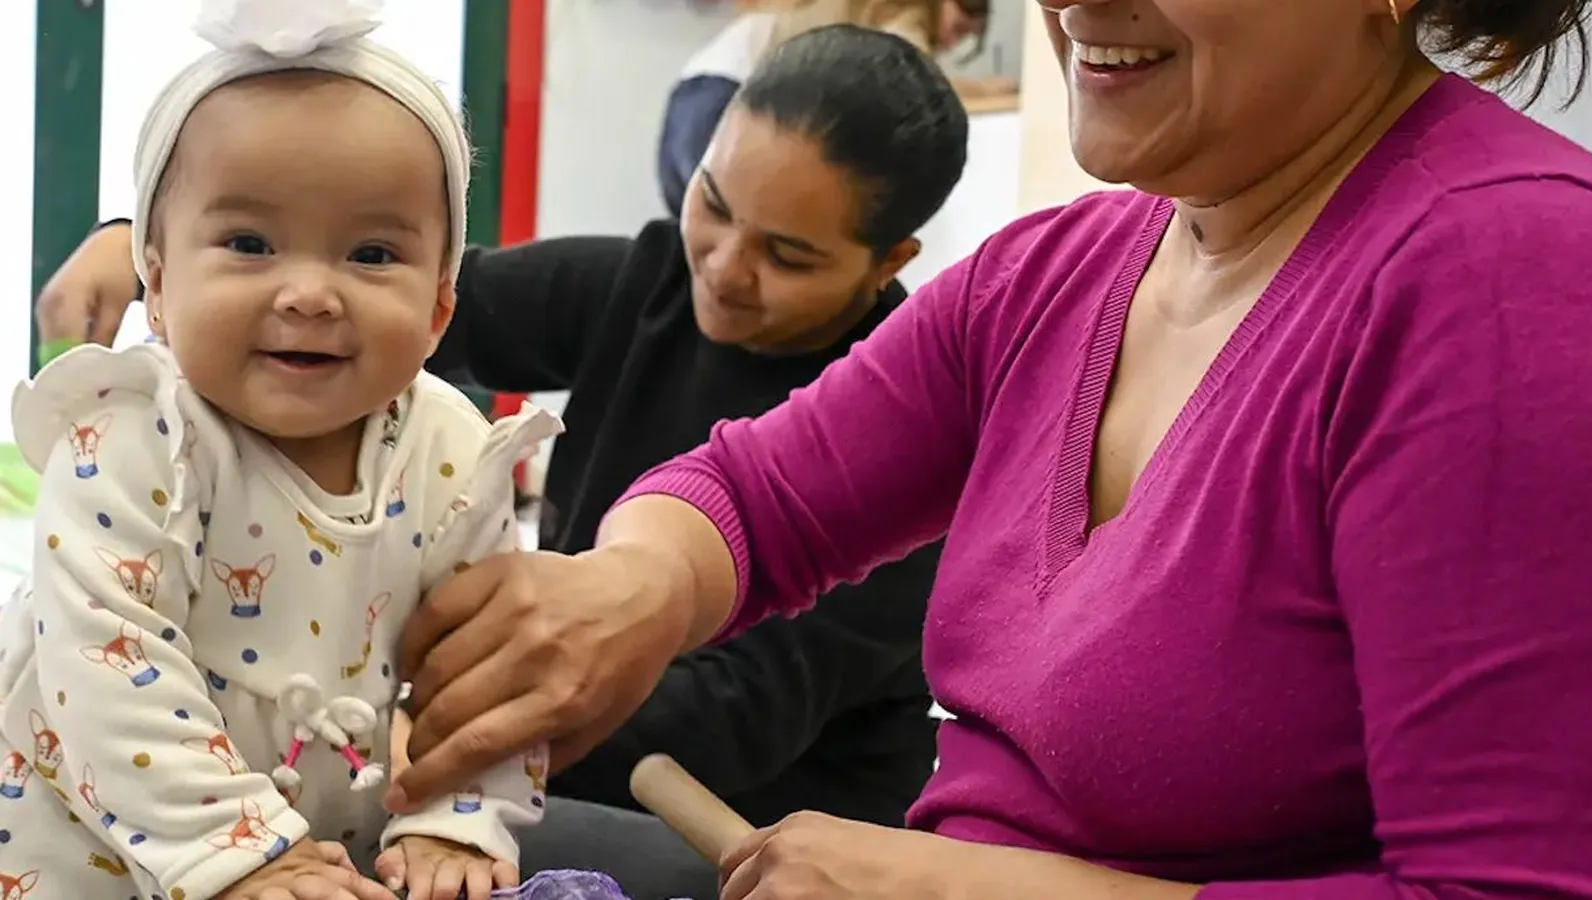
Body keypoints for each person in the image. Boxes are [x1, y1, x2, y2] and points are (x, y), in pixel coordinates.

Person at [385, 0, 1592, 897]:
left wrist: (960, 885)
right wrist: (633, 589)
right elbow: (752, 497)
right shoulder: (1058, 273)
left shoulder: (1505, 279)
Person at [32, 23, 970, 900]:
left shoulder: (906, 436)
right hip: (201, 829)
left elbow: (723, 719)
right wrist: (150, 246)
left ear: (889, 258)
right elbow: (373, 262)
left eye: (789, 255)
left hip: (755, 821)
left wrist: (455, 796)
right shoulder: (133, 438)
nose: (723, 267)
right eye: (714, 206)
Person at [0, 2, 562, 899]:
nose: (308, 293)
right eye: (249, 244)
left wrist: (454, 815)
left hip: (314, 851)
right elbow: (111, 670)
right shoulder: (130, 439)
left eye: (371, 254)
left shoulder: (450, 450)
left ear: (439, 307)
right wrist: (242, 855)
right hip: (79, 848)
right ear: (156, 281)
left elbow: (487, 660)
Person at [657, 0, 993, 217]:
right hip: (733, 90)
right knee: (747, 224)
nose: (954, 41)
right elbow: (921, 86)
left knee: (700, 232)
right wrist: (996, 90)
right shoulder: (910, 10)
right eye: (959, 28)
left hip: (700, 86)